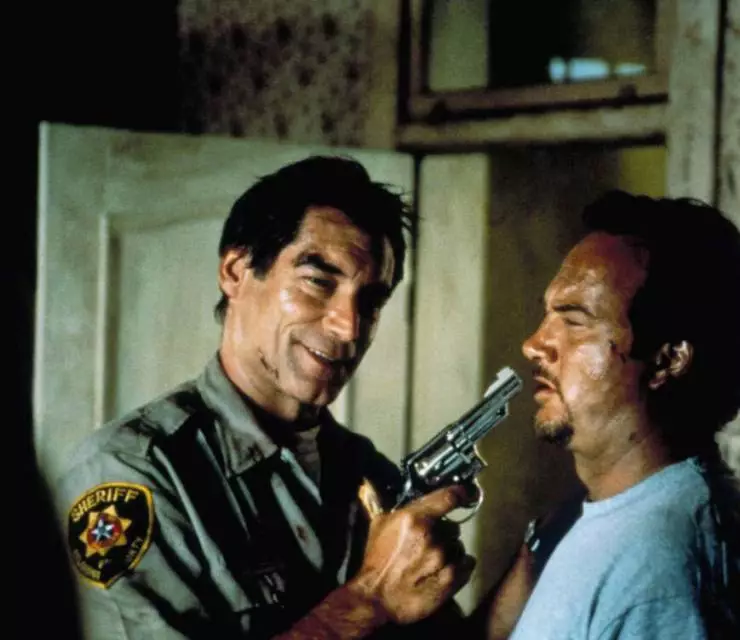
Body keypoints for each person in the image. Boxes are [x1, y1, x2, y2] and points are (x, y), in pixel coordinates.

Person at [54, 156, 475, 639]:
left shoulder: (365, 471)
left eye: (371, 301)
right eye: (318, 282)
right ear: (235, 272)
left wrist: (541, 546)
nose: (349, 327)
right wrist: (369, 599)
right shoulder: (130, 475)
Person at [483, 191, 740, 639]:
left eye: (574, 320)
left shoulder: (656, 563)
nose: (533, 344)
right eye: (548, 315)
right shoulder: (613, 520)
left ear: (667, 360)